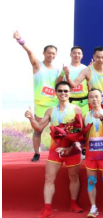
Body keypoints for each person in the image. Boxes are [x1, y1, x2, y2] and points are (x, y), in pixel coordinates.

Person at [25, 81, 83, 218]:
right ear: (56, 93)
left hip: (72, 149)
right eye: (60, 91)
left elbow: (80, 133)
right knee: (49, 178)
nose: (63, 93)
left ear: (70, 93)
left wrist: (70, 148)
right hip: (55, 149)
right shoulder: (50, 110)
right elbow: (38, 128)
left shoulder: (76, 109)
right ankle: (47, 209)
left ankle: (73, 204)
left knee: (74, 177)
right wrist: (31, 119)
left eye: (66, 91)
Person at [14, 31, 63, 161]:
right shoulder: (38, 66)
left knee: (59, 131)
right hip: (41, 105)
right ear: (44, 53)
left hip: (54, 105)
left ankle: (59, 152)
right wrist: (20, 40)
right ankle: (37, 153)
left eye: (53, 53)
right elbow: (30, 53)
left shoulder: (57, 70)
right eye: (49, 53)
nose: (51, 55)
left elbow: (59, 86)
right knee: (37, 131)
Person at [83, 88, 103, 217]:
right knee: (91, 181)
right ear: (88, 100)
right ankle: (93, 207)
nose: (94, 99)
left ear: (102, 99)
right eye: (91, 97)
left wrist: (102, 118)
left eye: (97, 96)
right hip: (91, 155)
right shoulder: (85, 116)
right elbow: (82, 136)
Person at [66, 46, 89, 115]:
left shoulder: (86, 68)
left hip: (84, 102)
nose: (77, 55)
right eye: (74, 53)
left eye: (79, 53)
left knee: (85, 120)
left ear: (82, 55)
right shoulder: (65, 69)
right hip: (70, 102)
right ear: (70, 54)